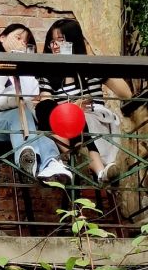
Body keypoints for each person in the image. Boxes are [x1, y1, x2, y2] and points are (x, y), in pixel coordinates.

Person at [0, 22, 72, 185]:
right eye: (18, 37)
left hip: (19, 124)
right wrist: (8, 65)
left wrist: (23, 67)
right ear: (2, 38)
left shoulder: (26, 73)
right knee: (18, 112)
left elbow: (28, 99)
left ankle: (48, 163)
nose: (21, 43)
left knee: (27, 118)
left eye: (26, 42)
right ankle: (28, 155)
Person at [36, 17, 132, 182]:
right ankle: (97, 167)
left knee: (79, 114)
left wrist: (101, 65)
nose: (55, 46)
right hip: (64, 126)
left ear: (74, 41)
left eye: (61, 40)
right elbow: (46, 102)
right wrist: (70, 107)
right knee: (44, 106)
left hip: (92, 120)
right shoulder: (48, 74)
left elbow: (126, 94)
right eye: (52, 42)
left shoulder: (90, 68)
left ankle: (91, 163)